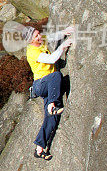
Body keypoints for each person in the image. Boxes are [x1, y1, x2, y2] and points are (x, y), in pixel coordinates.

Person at [24, 25, 74, 160]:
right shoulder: (32, 52)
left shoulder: (40, 42)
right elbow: (51, 59)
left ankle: (40, 148)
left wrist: (65, 32)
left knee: (51, 119)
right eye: (36, 36)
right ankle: (52, 104)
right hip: (41, 85)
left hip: (50, 86)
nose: (39, 37)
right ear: (29, 41)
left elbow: (52, 37)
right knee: (56, 75)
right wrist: (63, 47)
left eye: (38, 34)